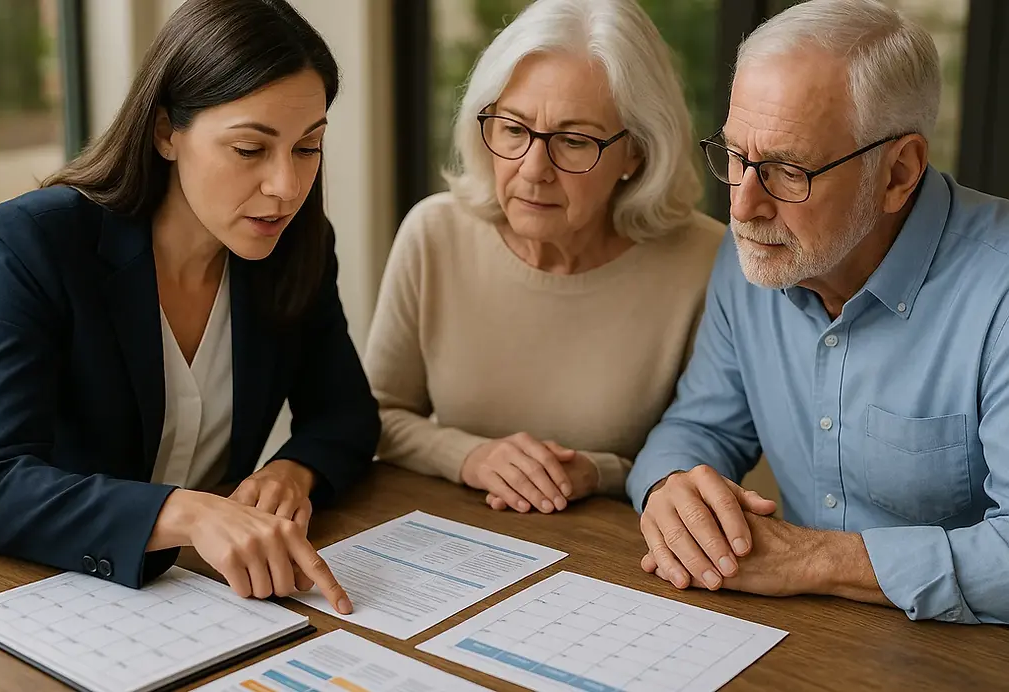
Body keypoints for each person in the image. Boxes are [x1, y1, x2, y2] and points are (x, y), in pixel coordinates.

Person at [0, 0, 379, 614]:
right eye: (249, 149)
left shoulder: (294, 246)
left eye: (308, 147)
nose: (286, 186)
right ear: (166, 132)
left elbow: (346, 415)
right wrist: (189, 513)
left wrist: (293, 471)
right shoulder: (34, 241)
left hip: (159, 598)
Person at [629, 0, 1009, 624]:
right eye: (735, 156)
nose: (743, 206)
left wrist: (814, 560)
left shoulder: (999, 293)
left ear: (899, 172)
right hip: (799, 640)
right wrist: (671, 489)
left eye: (787, 171)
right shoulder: (757, 253)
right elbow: (699, 428)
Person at [364, 0, 723, 514]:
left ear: (637, 151)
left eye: (573, 141)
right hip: (456, 534)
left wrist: (598, 471)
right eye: (513, 130)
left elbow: (712, 448)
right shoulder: (434, 234)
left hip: (619, 548)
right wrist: (471, 457)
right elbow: (376, 417)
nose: (534, 169)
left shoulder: (704, 262)